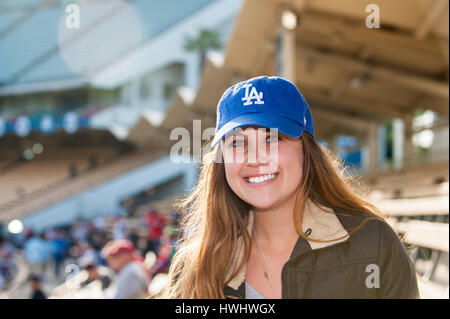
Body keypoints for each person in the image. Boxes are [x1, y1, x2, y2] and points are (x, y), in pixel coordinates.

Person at [163, 76, 420, 299]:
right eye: (237, 143)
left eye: (272, 138)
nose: (255, 158)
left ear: (306, 152)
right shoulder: (198, 266)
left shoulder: (373, 243)